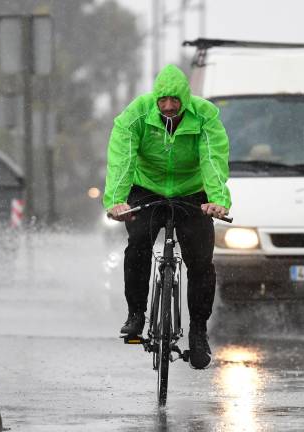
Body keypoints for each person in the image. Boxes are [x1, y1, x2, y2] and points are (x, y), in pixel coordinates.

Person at [103, 64, 231, 370]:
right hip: (147, 189)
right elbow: (123, 159)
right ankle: (136, 314)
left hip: (191, 191)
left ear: (185, 99)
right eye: (163, 100)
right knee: (137, 246)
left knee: (201, 262)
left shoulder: (205, 115)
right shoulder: (136, 115)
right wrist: (117, 201)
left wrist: (217, 199)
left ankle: (198, 331)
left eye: (175, 100)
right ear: (155, 99)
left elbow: (213, 158)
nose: (170, 106)